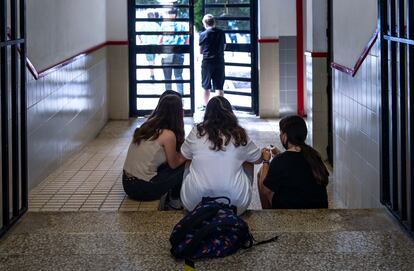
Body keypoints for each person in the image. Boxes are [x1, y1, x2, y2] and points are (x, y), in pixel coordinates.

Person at [180, 96, 266, 215]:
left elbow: (183, 155)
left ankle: (182, 198)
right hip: (236, 204)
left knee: (188, 159)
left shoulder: (197, 131)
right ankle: (241, 193)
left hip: (194, 203)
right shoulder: (239, 135)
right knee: (248, 160)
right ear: (230, 113)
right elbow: (257, 159)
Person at [122, 95, 187, 204]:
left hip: (127, 184)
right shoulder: (168, 135)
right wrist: (187, 154)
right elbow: (174, 164)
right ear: (177, 113)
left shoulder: (146, 126)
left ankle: (173, 198)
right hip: (144, 188)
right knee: (185, 166)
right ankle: (175, 200)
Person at [257, 115, 329, 209]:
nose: (279, 135)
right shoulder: (314, 155)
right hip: (319, 209)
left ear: (285, 136)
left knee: (262, 172)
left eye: (281, 132)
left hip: (290, 214)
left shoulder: (280, 160)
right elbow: (295, 164)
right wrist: (279, 155)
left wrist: (266, 161)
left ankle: (267, 214)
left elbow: (264, 190)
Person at [199, 14, 226, 109]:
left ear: (205, 23)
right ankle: (221, 107)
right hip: (219, 60)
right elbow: (224, 46)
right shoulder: (221, 32)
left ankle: (205, 106)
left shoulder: (203, 34)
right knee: (219, 86)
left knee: (206, 85)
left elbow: (200, 50)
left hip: (207, 62)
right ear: (214, 22)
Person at [160, 8, 188, 95]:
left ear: (169, 14)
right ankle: (180, 96)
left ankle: (168, 95)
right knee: (178, 76)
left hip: (167, 52)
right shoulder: (182, 25)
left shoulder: (164, 25)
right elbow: (186, 40)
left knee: (167, 77)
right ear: (176, 14)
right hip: (179, 52)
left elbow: (160, 40)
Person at [137, 10, 160, 80]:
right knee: (152, 60)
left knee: (150, 61)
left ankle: (152, 75)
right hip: (155, 44)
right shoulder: (156, 25)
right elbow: (160, 34)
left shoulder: (144, 25)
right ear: (153, 17)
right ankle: (153, 71)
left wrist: (141, 40)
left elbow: (139, 34)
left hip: (147, 45)